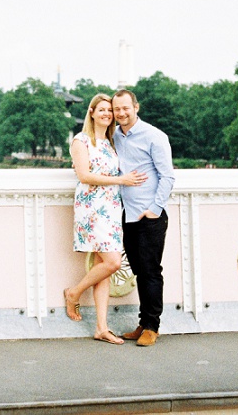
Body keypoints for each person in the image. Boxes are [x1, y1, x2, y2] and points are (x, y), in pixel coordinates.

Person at [63, 93, 146, 344]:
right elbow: (85, 176)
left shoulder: (111, 141)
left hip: (110, 209)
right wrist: (121, 180)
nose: (107, 114)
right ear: (91, 112)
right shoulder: (81, 141)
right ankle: (74, 293)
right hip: (92, 208)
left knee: (105, 268)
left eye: (109, 111)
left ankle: (101, 327)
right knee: (112, 262)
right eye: (102, 110)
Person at [111, 88, 176, 347]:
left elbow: (168, 176)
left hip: (150, 216)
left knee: (150, 271)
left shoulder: (154, 136)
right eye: (117, 109)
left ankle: (152, 326)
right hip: (127, 214)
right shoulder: (115, 135)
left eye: (126, 108)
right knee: (139, 271)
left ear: (136, 107)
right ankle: (142, 322)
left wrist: (155, 209)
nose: (121, 113)